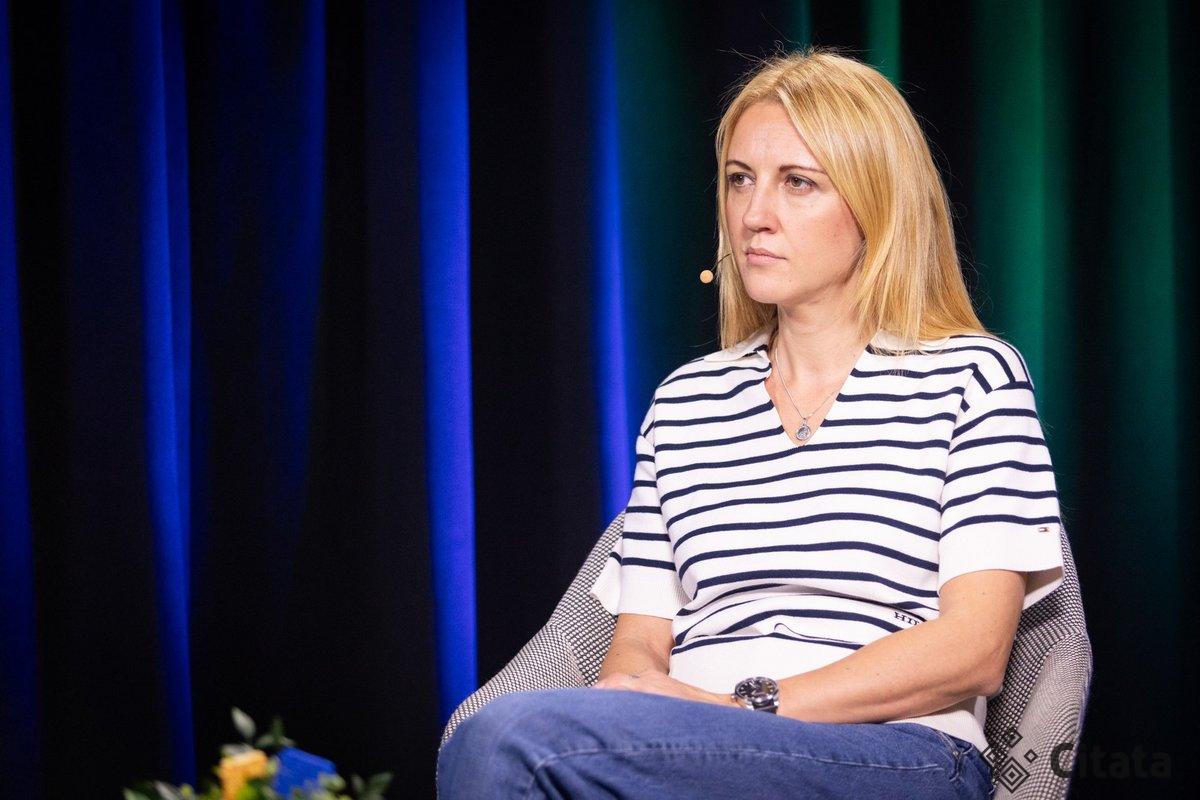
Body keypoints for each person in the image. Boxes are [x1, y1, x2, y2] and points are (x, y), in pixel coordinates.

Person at [437, 45, 1065, 799]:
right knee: (497, 738)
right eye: (740, 179)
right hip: (690, 743)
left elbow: (973, 651)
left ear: (877, 203)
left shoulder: (972, 375)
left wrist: (742, 708)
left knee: (510, 741)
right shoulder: (686, 400)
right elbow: (635, 653)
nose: (754, 215)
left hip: (895, 749)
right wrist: (658, 716)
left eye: (798, 183)